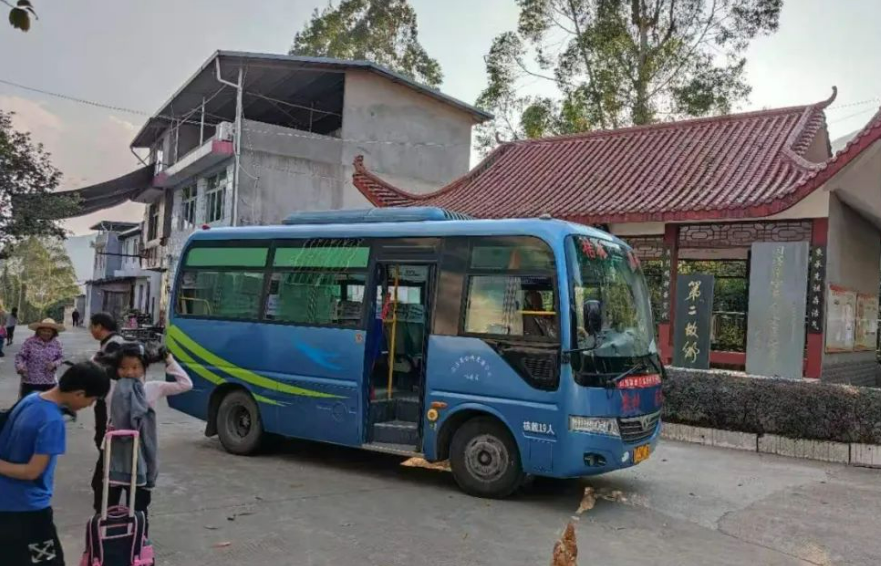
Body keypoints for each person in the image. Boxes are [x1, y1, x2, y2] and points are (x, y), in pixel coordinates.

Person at [0, 361, 110, 566]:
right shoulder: (52, 421)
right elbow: (32, 471)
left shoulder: (31, 399)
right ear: (79, 393)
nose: (90, 405)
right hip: (28, 510)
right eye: (92, 399)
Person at [101, 342, 192, 536]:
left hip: (142, 453)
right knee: (110, 505)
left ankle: (139, 542)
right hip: (116, 453)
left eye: (135, 367)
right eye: (123, 367)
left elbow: (186, 384)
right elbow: (89, 379)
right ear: (116, 369)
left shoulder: (152, 388)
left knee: (140, 506)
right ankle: (111, 542)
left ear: (144, 368)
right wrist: (102, 357)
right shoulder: (112, 389)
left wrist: (169, 360)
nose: (129, 373)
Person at [88, 312, 125, 513]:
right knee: (101, 440)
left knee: (104, 440)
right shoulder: (110, 342)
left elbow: (107, 371)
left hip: (110, 402)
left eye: (92, 326)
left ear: (99, 326)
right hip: (106, 400)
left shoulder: (114, 344)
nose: (91, 331)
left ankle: (107, 485)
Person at [15, 319, 65, 400]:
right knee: (29, 405)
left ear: (54, 332)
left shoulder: (57, 343)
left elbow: (61, 357)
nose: (46, 333)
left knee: (47, 405)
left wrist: (54, 364)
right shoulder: (30, 341)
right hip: (30, 380)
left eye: (49, 331)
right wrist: (20, 366)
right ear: (38, 331)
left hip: (48, 380)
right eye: (43, 330)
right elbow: (21, 356)